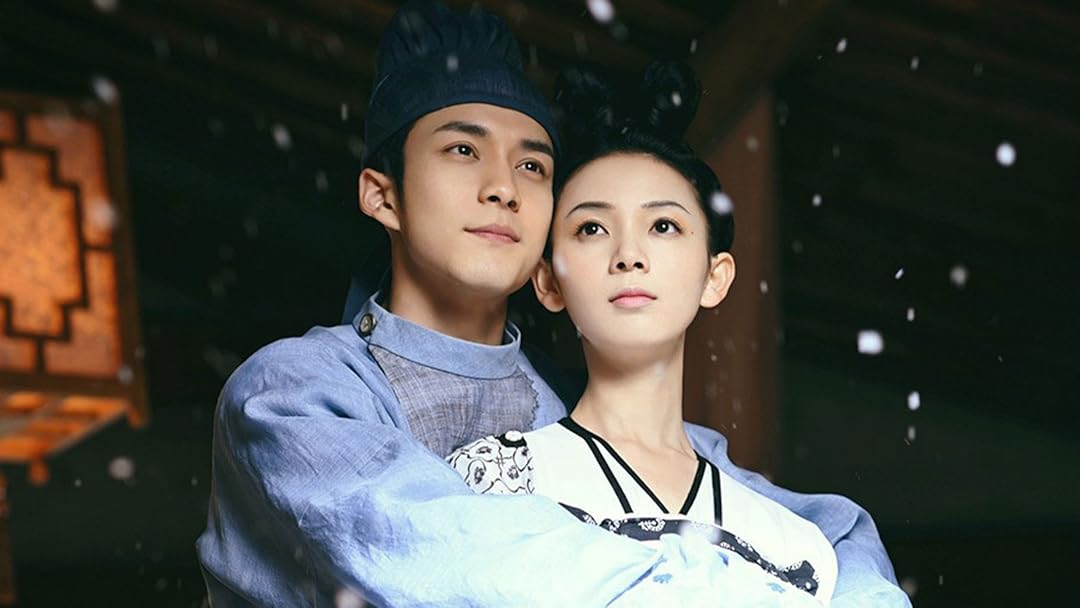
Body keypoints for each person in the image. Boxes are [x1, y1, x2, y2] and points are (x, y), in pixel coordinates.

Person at [197, 1, 909, 606]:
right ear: (383, 195)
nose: (504, 187)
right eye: (463, 151)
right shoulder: (296, 393)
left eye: (533, 164)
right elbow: (463, 559)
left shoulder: (570, 406)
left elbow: (825, 532)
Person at [447, 62, 847, 606]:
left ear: (715, 277)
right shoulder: (492, 481)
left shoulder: (797, 546)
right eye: (592, 228)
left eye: (663, 226)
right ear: (549, 283)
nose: (629, 255)